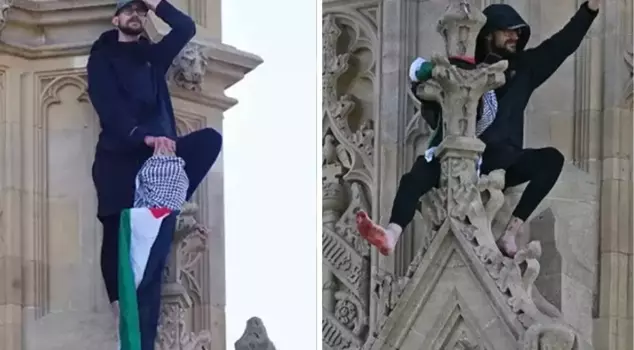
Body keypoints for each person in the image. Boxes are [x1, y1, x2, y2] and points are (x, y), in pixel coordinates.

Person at [356, 0, 600, 257]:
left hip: (503, 159)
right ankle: (391, 235)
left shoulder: (523, 69)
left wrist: (589, 10)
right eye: (508, 30)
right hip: (464, 157)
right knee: (416, 176)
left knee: (551, 160)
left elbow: (561, 45)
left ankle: (510, 234)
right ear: (488, 33)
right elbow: (427, 94)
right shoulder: (463, 70)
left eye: (518, 32)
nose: (515, 36)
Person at [87, 0, 222, 325]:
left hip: (158, 162)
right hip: (120, 157)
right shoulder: (102, 57)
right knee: (116, 228)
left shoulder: (151, 57)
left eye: (140, 11)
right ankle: (120, 304)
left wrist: (155, 3)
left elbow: (185, 28)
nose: (136, 15)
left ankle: (173, 200)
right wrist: (143, 137)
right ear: (116, 18)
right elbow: (107, 107)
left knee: (209, 140)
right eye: (129, 10)